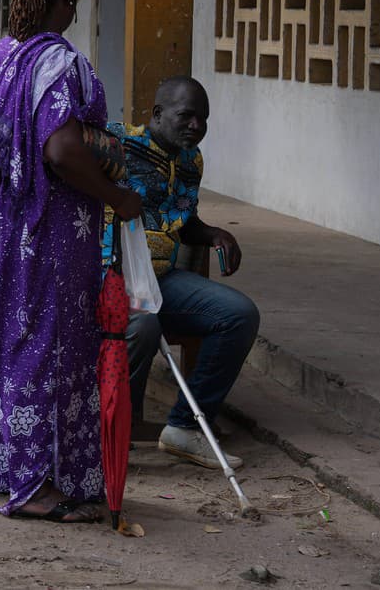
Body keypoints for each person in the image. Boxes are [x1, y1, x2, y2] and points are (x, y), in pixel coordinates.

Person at [0, 0, 144, 523]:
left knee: (4, 337)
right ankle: (36, 488)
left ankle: (5, 467)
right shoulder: (59, 62)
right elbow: (61, 150)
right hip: (47, 228)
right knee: (44, 345)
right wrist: (117, 198)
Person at [112, 76, 259, 471]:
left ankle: (185, 428)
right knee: (143, 325)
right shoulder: (116, 144)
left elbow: (181, 218)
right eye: (186, 115)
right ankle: (112, 433)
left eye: (203, 119)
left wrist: (214, 234)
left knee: (238, 314)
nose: (196, 125)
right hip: (109, 279)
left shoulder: (191, 160)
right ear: (158, 114)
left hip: (161, 280)